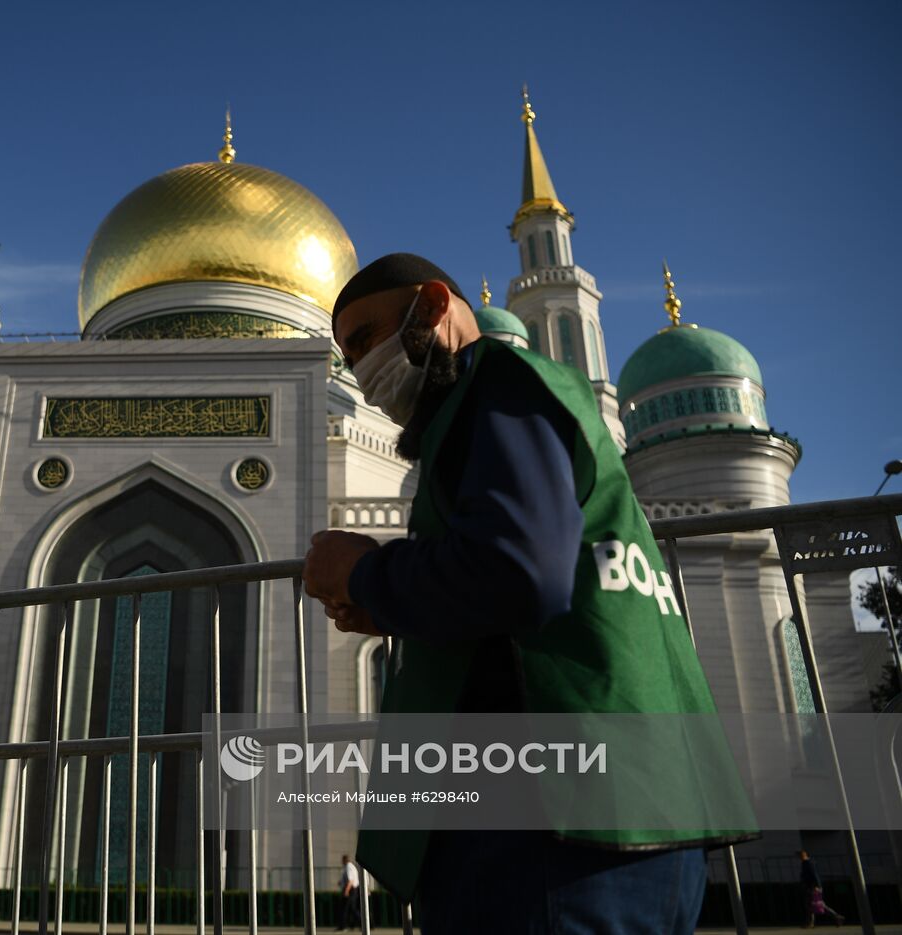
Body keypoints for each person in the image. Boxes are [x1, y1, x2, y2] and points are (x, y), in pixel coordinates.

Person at [302, 254, 752, 934]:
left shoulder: (500, 384)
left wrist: (364, 571)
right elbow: (532, 575)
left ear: (433, 305)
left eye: (366, 338)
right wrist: (395, 601)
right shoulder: (504, 407)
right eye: (348, 353)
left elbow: (516, 569)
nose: (363, 371)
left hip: (547, 833)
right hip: (622, 810)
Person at [799, 850, 844, 927]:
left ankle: (836, 917)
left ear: (805, 855)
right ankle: (810, 922)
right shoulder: (806, 863)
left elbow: (813, 874)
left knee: (814, 904)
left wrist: (817, 886)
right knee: (812, 904)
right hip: (811, 886)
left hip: (812, 886)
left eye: (801, 855)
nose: (800, 857)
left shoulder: (808, 863)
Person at [336, 854, 361, 931]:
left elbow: (351, 880)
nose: (341, 861)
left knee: (345, 908)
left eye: (342, 860)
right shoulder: (350, 867)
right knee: (351, 908)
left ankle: (343, 926)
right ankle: (349, 925)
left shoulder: (348, 867)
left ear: (345, 860)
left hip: (351, 890)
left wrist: (346, 890)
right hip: (352, 889)